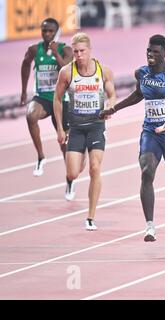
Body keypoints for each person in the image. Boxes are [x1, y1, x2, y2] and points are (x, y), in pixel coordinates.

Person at [99, 34, 165, 242]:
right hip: (150, 133)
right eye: (148, 50)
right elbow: (138, 95)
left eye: (155, 51)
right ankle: (150, 226)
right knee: (146, 171)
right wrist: (114, 108)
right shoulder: (141, 73)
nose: (150, 55)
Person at [54, 32, 116, 231]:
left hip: (96, 126)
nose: (79, 55)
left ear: (90, 50)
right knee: (73, 172)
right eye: (75, 52)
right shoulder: (67, 72)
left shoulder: (103, 71)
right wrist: (60, 129)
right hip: (76, 128)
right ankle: (74, 172)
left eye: (82, 51)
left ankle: (90, 216)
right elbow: (57, 99)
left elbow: (112, 94)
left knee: (95, 168)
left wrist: (110, 107)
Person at [20, 18, 73, 186]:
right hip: (42, 98)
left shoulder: (66, 49)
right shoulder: (34, 49)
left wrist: (56, 52)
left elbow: (66, 68)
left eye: (50, 31)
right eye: (44, 31)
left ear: (56, 32)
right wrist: (23, 90)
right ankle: (41, 156)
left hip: (61, 99)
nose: (47, 34)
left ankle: (69, 177)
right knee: (30, 115)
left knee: (64, 142)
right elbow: (25, 64)